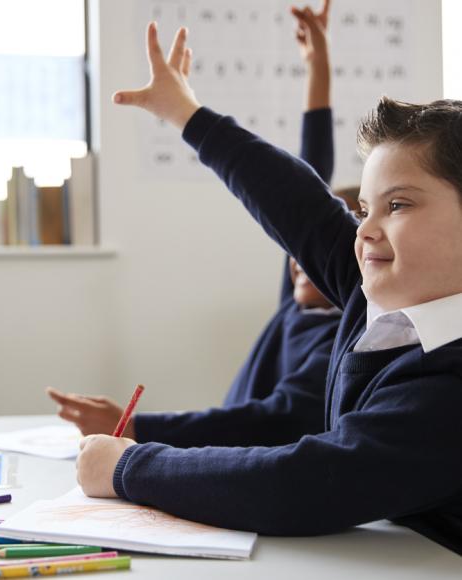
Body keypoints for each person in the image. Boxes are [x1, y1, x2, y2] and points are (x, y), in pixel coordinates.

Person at [72, 6, 462, 555]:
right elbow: (296, 201)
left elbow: (306, 483)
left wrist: (131, 466)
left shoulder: (449, 387)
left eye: (397, 205)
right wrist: (187, 112)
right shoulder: (374, 295)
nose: (365, 229)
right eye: (365, 209)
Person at [48, 1, 356, 449]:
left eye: (313, 249)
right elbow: (309, 178)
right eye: (296, 251)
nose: (296, 261)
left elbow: (271, 421)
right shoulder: (298, 302)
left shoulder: (340, 343)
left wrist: (140, 429)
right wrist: (319, 69)